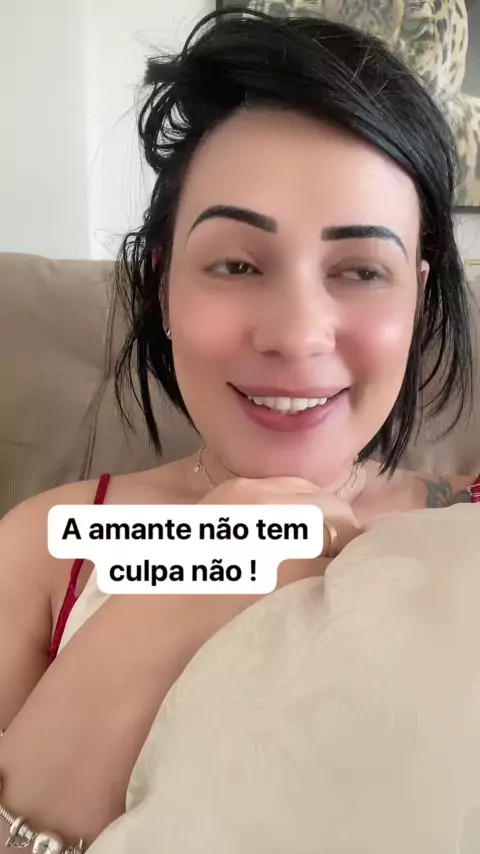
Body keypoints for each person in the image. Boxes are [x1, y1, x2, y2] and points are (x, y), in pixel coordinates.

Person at [0, 8, 478, 851]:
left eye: (361, 270)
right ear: (163, 288)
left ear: (416, 295)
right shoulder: (49, 547)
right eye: (235, 264)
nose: (296, 336)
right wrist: (194, 579)